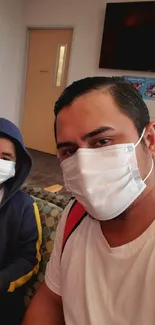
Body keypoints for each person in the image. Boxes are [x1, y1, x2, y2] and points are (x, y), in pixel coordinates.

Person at [23, 76, 155, 325]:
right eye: (70, 151)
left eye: (102, 142)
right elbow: (52, 298)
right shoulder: (75, 213)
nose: (84, 167)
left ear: (149, 140)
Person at [0, 118, 42, 324]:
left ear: (16, 166)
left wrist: (3, 280)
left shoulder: (24, 207)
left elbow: (29, 259)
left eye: (5, 157)